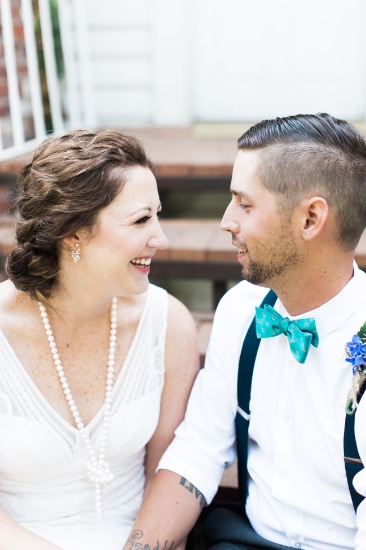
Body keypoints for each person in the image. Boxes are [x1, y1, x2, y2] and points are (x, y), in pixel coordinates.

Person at [122, 113, 366, 550]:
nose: (226, 221)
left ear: (311, 219)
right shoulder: (241, 310)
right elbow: (196, 452)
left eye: (245, 204)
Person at [0, 129, 199, 550]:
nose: (161, 238)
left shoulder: (168, 324)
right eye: (141, 219)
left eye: (158, 215)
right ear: (73, 233)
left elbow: (168, 478)